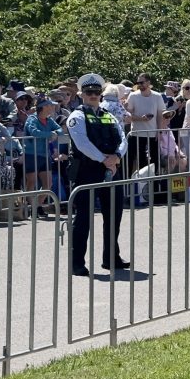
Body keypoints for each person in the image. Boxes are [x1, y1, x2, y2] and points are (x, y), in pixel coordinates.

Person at [66, 74, 130, 277]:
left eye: (96, 92)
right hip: (88, 171)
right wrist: (105, 159)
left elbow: (122, 137)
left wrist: (117, 156)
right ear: (81, 94)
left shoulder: (108, 114)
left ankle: (111, 257)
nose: (93, 95)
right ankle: (77, 263)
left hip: (111, 169)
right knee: (83, 218)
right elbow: (82, 143)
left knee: (114, 215)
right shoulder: (76, 117)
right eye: (89, 92)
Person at [23, 96, 63, 217]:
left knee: (48, 184)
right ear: (44, 107)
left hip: (44, 155)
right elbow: (34, 132)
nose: (53, 107)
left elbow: (60, 129)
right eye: (50, 105)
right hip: (31, 154)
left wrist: (55, 133)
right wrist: (50, 134)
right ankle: (33, 207)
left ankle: (37, 206)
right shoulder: (32, 119)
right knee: (31, 182)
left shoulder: (49, 120)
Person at [125, 73, 164, 176]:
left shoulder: (157, 96)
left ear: (148, 82)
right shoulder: (133, 95)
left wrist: (160, 131)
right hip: (136, 135)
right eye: (138, 83)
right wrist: (140, 119)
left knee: (154, 163)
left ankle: (153, 187)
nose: (139, 85)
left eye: (141, 82)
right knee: (137, 163)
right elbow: (127, 115)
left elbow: (160, 116)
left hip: (152, 135)